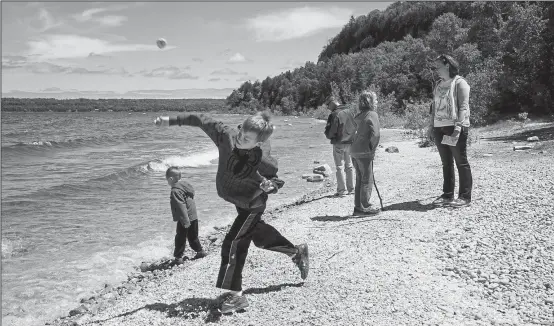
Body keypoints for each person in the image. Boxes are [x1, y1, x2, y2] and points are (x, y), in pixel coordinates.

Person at [154, 111, 309, 314]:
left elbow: (276, 180)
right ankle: (297, 252)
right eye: (241, 131)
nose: (240, 138)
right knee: (259, 237)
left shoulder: (262, 159)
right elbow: (200, 119)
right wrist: (171, 121)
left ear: (257, 144)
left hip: (253, 204)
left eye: (246, 139)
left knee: (234, 242)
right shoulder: (226, 136)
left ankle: (236, 296)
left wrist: (271, 186)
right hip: (239, 201)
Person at [428, 54, 472, 208]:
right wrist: (431, 127)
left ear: (447, 65)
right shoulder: (438, 85)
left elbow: (463, 107)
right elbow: (433, 107)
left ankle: (465, 197)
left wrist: (458, 128)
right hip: (439, 127)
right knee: (446, 163)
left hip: (454, 127)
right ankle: (447, 195)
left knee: (461, 162)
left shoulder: (460, 83)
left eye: (438, 66)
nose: (436, 70)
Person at [166, 167, 207, 264]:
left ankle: (178, 258)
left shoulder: (175, 191)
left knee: (180, 237)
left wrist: (185, 220)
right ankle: (200, 251)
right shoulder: (186, 186)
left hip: (185, 218)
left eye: (167, 180)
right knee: (193, 236)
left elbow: (181, 206)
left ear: (171, 179)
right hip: (193, 216)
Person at [350, 90, 381, 216]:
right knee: (367, 180)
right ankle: (365, 207)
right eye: (375, 100)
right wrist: (372, 148)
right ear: (372, 102)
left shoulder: (358, 116)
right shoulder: (372, 114)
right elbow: (376, 134)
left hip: (354, 150)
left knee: (359, 179)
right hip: (364, 150)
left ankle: (358, 207)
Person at [324, 96, 356, 197]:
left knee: (339, 167)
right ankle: (351, 190)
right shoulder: (349, 111)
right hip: (349, 142)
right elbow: (355, 125)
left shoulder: (334, 114)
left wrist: (329, 136)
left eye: (328, 104)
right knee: (349, 166)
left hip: (338, 142)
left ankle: (341, 191)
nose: (328, 107)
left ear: (333, 102)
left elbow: (331, 131)